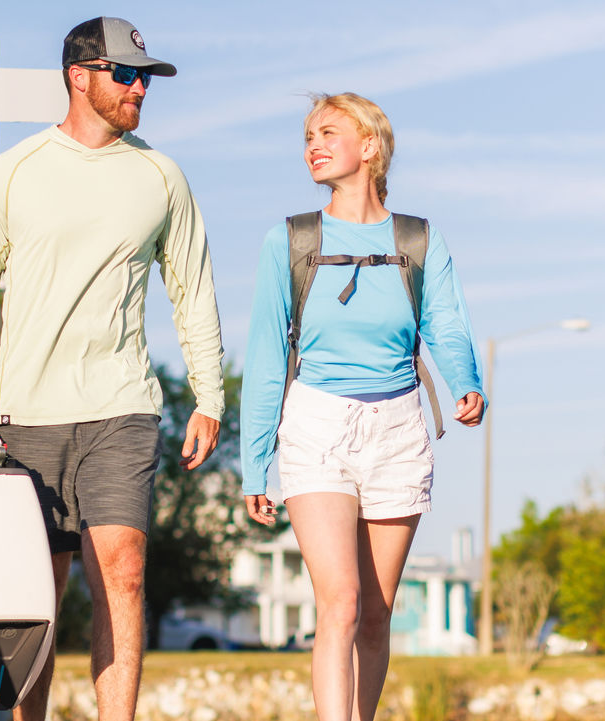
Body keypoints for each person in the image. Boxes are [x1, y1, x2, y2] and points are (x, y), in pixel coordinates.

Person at [0, 16, 225, 721]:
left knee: (122, 574)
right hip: (22, 416)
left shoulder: (161, 176)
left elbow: (193, 289)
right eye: (125, 74)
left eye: (144, 77)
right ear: (80, 76)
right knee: (32, 595)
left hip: (120, 409)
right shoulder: (15, 172)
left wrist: (210, 393)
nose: (139, 89)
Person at [240, 92, 485, 721]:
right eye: (307, 137)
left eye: (328, 132)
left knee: (376, 616)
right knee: (341, 602)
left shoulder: (418, 240)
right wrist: (254, 464)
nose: (312, 146)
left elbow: (447, 322)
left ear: (370, 146)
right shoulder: (291, 240)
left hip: (398, 427)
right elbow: (267, 356)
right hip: (316, 422)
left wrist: (466, 382)